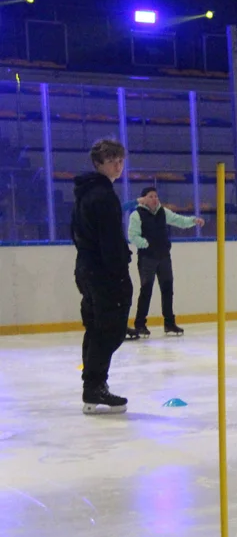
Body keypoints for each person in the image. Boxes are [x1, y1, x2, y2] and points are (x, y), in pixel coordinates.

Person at [71, 138, 132, 414]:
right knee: (109, 330)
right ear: (99, 164)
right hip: (104, 273)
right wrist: (118, 271)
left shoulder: (87, 192)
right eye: (112, 161)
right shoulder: (102, 196)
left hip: (87, 268)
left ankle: (93, 385)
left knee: (97, 327)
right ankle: (94, 385)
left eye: (120, 160)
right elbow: (109, 241)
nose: (118, 165)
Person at [127, 187, 205, 337]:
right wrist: (146, 244)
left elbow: (179, 220)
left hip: (163, 256)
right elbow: (133, 235)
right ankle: (140, 324)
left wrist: (193, 220)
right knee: (146, 290)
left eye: (156, 196)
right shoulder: (136, 215)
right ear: (143, 199)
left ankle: (169, 323)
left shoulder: (163, 212)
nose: (155, 199)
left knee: (167, 289)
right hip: (147, 258)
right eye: (151, 196)